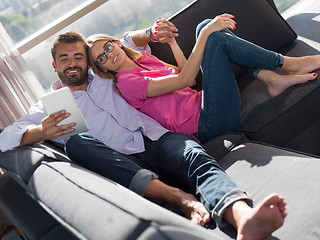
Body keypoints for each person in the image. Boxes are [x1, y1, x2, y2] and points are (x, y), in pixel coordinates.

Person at [0, 24, 287, 239]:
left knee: (196, 158)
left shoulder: (103, 76)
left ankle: (243, 216)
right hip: (122, 161)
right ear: (55, 65)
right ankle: (179, 197)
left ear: (87, 61)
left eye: (78, 56)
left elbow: (122, 42)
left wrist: (149, 32)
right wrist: (40, 131)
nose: (73, 62)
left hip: (156, 138)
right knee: (76, 143)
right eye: (65, 58)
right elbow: (5, 138)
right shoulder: (47, 106)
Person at [87, 14, 320, 143]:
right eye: (101, 58)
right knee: (211, 34)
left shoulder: (142, 60)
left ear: (115, 42)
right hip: (207, 124)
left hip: (205, 104)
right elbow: (186, 81)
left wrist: (172, 43)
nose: (109, 55)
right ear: (101, 68)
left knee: (203, 26)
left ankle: (272, 79)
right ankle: (290, 65)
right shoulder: (127, 84)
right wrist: (208, 34)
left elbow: (182, 73)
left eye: (107, 47)